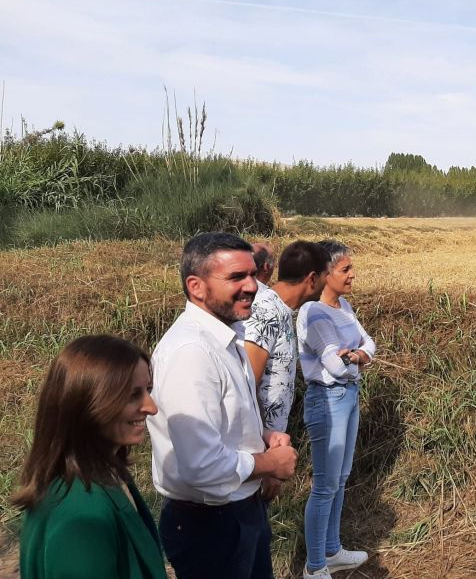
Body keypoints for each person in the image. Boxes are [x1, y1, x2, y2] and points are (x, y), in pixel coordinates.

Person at [148, 232, 298, 579]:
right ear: (196, 286)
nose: (252, 286)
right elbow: (201, 466)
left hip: (237, 511)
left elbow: (228, 418)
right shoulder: (192, 353)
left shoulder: (227, 336)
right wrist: (268, 462)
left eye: (252, 274)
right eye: (235, 277)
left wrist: (262, 436)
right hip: (209, 523)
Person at [14, 335, 167, 579]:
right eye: (133, 395)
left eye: (148, 390)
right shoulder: (82, 515)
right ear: (88, 403)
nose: (152, 407)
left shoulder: (109, 477)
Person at [297, 240, 376, 578]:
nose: (352, 275)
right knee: (325, 484)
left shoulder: (344, 306)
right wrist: (355, 359)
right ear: (325, 273)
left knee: (340, 479)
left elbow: (368, 344)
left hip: (348, 396)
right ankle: (314, 567)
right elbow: (333, 364)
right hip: (328, 401)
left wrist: (356, 355)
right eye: (345, 269)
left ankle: (331, 550)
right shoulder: (313, 312)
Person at [244, 240, 329, 436]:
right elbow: (247, 383)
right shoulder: (266, 312)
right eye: (326, 276)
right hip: (257, 442)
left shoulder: (281, 310)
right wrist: (264, 436)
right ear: (312, 279)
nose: (327, 284)